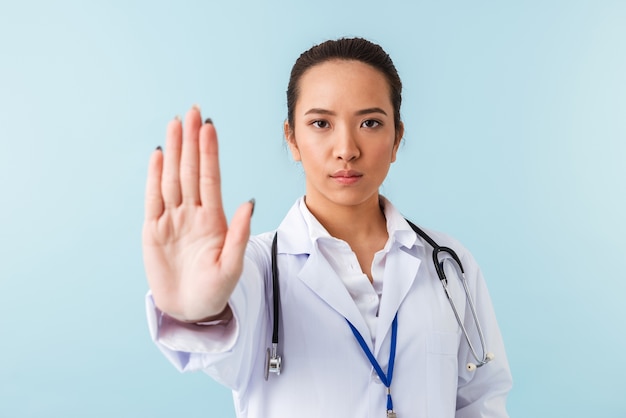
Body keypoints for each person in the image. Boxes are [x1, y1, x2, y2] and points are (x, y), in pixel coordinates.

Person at [143, 37, 512, 417]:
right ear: (292, 139)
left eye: (370, 123)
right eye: (321, 123)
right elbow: (219, 339)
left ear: (397, 138)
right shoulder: (254, 268)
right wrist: (200, 312)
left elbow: (480, 400)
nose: (346, 148)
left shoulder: (449, 264)